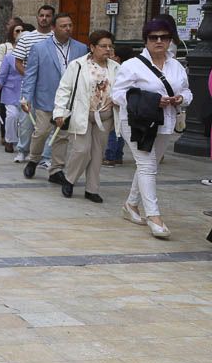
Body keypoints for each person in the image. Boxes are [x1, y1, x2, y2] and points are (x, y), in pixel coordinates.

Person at [112, 17, 191, 239]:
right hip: (137, 123)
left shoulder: (176, 66)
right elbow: (117, 94)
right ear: (146, 40)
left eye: (164, 37)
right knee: (147, 166)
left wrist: (180, 99)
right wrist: (151, 101)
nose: (159, 41)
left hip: (166, 122)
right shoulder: (131, 65)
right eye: (153, 37)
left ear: (170, 40)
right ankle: (154, 217)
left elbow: (188, 92)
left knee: (149, 164)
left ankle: (130, 204)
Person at [21, 12, 88, 183]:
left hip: (68, 102)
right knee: (41, 131)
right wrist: (26, 97)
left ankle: (56, 169)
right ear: (53, 28)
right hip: (45, 98)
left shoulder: (81, 48)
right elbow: (30, 75)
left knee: (62, 136)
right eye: (63, 26)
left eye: (70, 25)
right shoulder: (39, 48)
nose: (68, 29)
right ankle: (34, 159)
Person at [53, 30, 118, 202]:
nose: (107, 49)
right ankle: (70, 179)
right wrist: (59, 112)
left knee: (97, 154)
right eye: (103, 46)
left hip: (105, 116)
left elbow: (123, 90)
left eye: (110, 46)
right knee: (81, 150)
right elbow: (64, 89)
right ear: (92, 47)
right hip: (82, 114)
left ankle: (92, 189)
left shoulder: (116, 68)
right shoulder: (78, 65)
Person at [0, 33, 28, 160]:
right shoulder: (9, 57)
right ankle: (9, 140)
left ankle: (24, 146)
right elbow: (1, 76)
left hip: (28, 93)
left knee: (25, 121)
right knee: (12, 116)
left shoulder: (35, 57)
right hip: (10, 92)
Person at [15, 5, 55, 75]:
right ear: (37, 17)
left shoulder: (57, 38)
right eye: (41, 15)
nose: (44, 18)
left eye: (48, 16)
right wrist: (30, 77)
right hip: (30, 84)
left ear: (53, 18)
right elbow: (18, 63)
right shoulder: (25, 38)